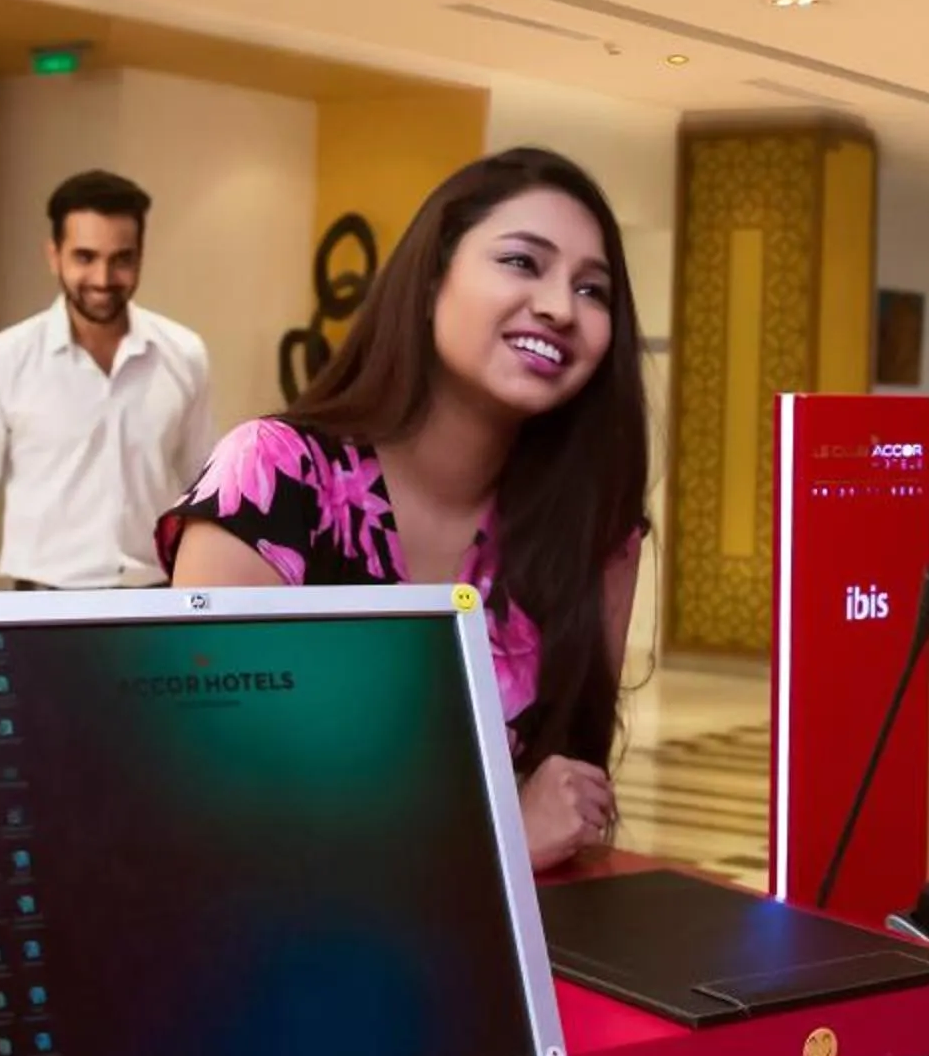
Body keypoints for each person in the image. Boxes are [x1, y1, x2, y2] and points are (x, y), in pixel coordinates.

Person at [159, 148, 648, 873]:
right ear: (429, 281)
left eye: (593, 289)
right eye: (522, 262)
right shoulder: (273, 476)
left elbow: (567, 802)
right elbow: (198, 801)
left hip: (508, 956)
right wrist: (500, 834)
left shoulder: (595, 529)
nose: (558, 306)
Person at [0, 170, 212, 593]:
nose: (103, 278)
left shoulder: (184, 354)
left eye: (121, 258)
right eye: (85, 257)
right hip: (45, 608)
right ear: (53, 255)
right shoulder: (0, 359)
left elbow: (207, 493)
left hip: (155, 602)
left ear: (140, 256)